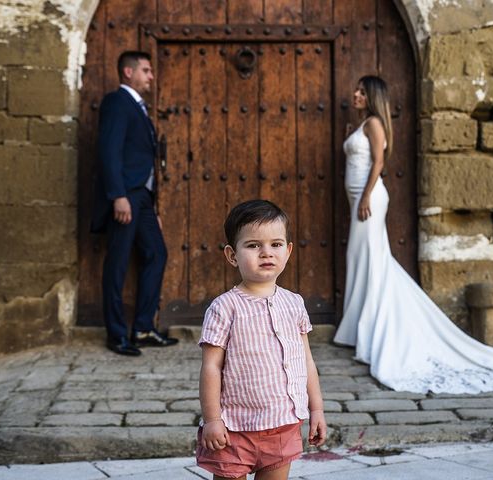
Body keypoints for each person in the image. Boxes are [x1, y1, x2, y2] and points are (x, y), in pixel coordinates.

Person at [333, 76, 493, 394]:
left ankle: (373, 331)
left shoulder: (373, 123)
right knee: (362, 258)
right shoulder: (363, 123)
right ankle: (359, 329)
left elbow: (379, 162)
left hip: (368, 198)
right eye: (355, 89)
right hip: (359, 196)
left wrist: (367, 196)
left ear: (372, 97)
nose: (355, 94)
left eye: (361, 91)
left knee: (371, 259)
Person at [196, 200, 327, 480]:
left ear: (288, 250)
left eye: (276, 244)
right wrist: (212, 420)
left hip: (283, 424)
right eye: (254, 245)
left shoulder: (294, 303)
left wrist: (316, 409)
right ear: (232, 255)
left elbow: (306, 360)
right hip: (234, 428)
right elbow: (210, 367)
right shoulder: (224, 307)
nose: (266, 252)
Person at [91, 51, 177, 356]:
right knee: (117, 263)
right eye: (146, 70)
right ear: (128, 72)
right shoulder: (117, 102)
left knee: (157, 253)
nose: (151, 76)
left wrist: (152, 206)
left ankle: (142, 327)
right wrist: (118, 196)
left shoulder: (139, 109)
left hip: (142, 199)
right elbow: (109, 152)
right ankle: (117, 335)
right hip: (125, 195)